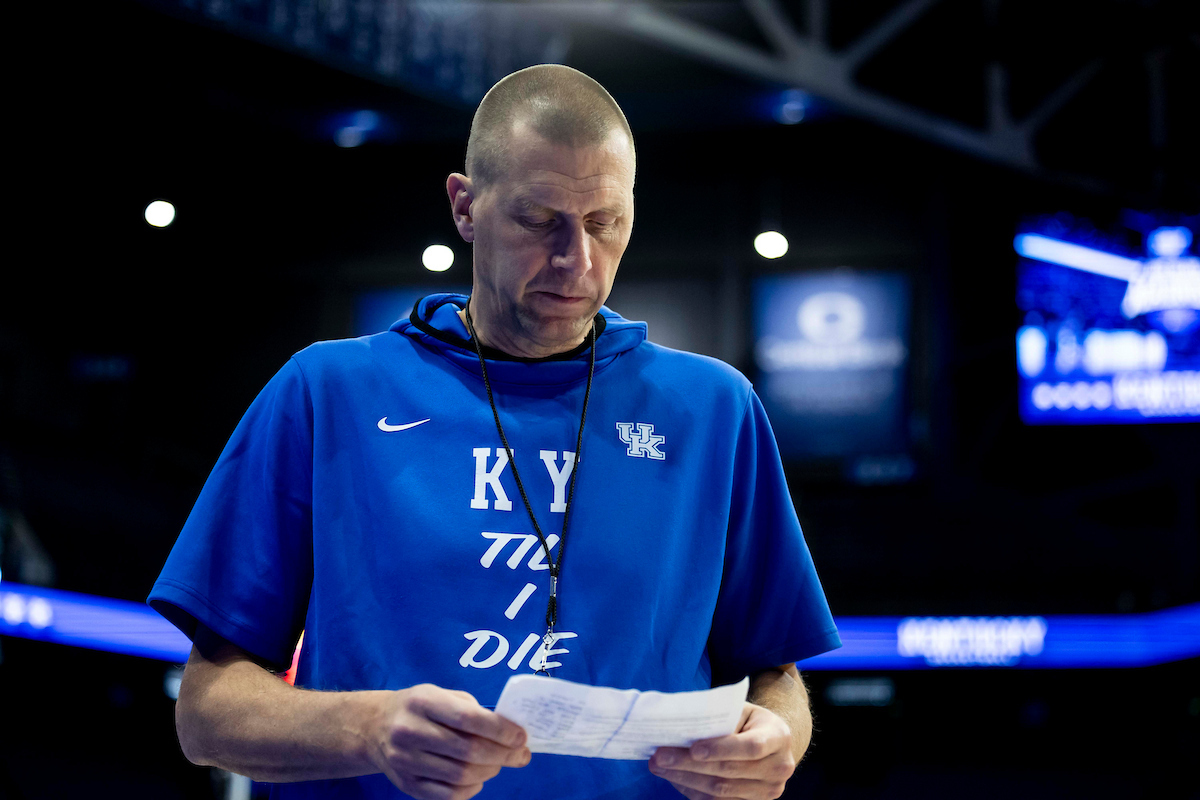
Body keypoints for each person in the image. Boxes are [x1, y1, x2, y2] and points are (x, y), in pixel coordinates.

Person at [149, 64, 841, 800]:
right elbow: (206, 714)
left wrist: (776, 739)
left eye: (604, 223)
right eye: (540, 221)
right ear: (465, 207)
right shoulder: (327, 390)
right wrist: (369, 728)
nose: (576, 260)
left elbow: (777, 676)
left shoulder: (714, 410)